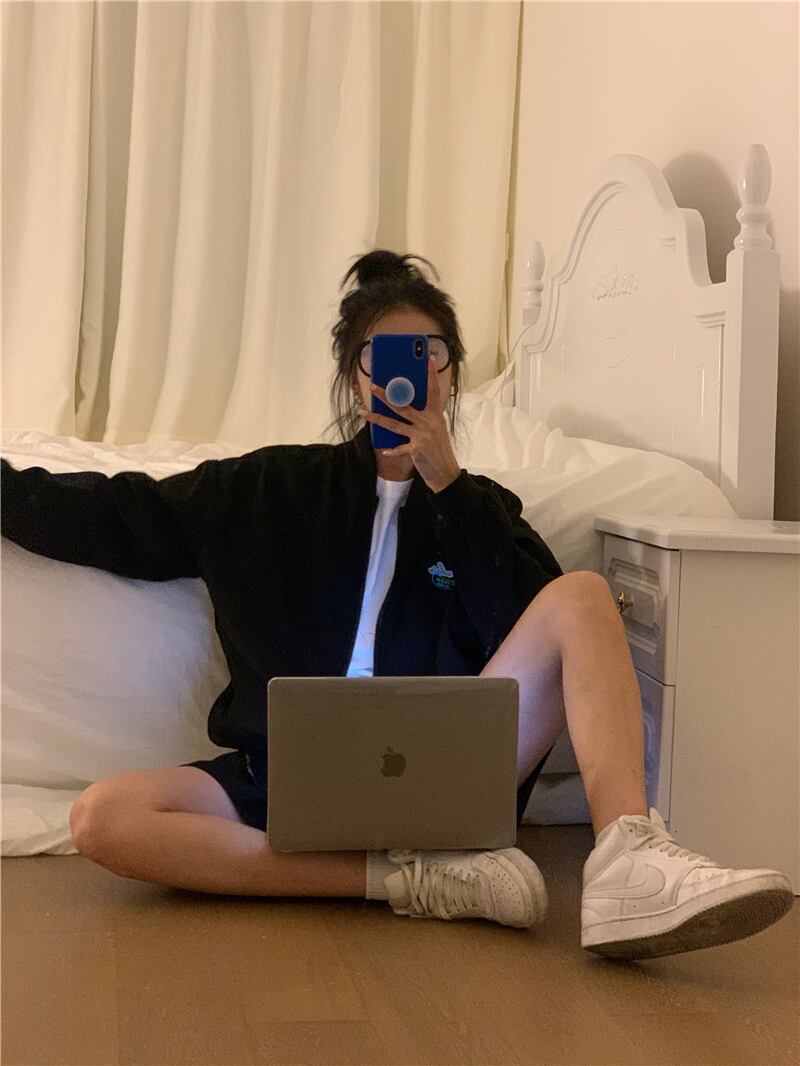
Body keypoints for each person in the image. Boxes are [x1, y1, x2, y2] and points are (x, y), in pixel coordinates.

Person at [2, 250, 792, 958]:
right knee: (104, 818)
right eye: (386, 358)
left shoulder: (484, 508)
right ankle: (408, 880)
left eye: (432, 354)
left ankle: (629, 860)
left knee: (582, 597)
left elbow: (531, 636)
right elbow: (111, 513)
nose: (414, 374)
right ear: (359, 378)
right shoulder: (267, 490)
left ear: (451, 376)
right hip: (289, 779)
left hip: (446, 775)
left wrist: (450, 489)